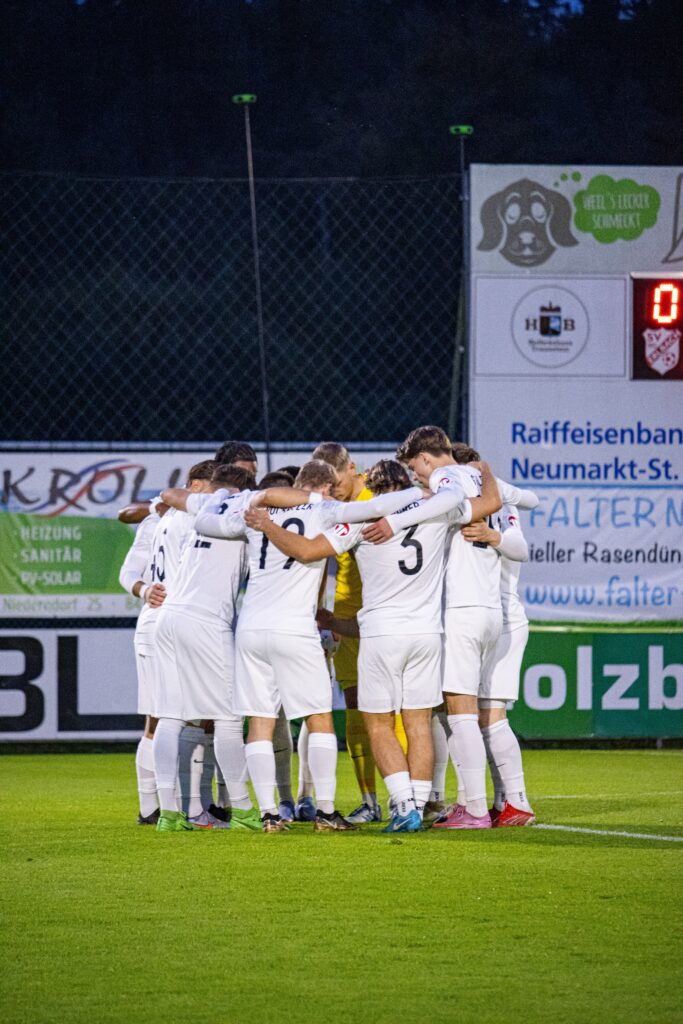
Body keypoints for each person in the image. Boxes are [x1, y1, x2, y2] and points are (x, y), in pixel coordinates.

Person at [251, 458, 501, 832]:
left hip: (382, 634)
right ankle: (419, 803)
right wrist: (486, 473)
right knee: (418, 722)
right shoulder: (437, 513)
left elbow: (307, 551)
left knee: (379, 723)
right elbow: (490, 502)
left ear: (373, 492)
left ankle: (403, 806)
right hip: (427, 634)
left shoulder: (361, 520)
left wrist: (267, 525)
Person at [362, 426, 537, 829]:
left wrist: (395, 522)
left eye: (415, 468)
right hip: (494, 609)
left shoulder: (446, 481)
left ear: (426, 458)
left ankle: (472, 808)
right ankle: (512, 801)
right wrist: (487, 474)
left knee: (459, 715)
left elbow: (447, 500)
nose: (417, 477)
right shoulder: (486, 483)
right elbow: (529, 499)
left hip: (460, 610)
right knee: (489, 716)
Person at [153, 463, 261, 833]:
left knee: (170, 716)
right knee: (229, 717)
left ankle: (168, 813)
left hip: (169, 617)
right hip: (205, 620)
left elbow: (170, 494)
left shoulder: (204, 504)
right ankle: (243, 811)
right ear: (247, 488)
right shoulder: (243, 508)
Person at [312, 441, 406, 824]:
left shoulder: (380, 495)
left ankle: (409, 797)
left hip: (388, 615)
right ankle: (370, 802)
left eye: (336, 484)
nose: (333, 492)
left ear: (352, 468)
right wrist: (325, 616)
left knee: (398, 710)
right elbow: (320, 560)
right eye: (327, 487)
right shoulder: (331, 509)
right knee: (354, 709)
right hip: (347, 616)